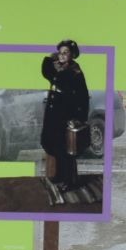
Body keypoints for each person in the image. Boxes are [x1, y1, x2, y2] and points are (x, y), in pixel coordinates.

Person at [39, 39, 90, 192]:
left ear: (72, 55)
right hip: (53, 113)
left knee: (64, 148)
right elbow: (45, 69)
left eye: (65, 53)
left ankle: (68, 180)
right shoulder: (57, 67)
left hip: (66, 113)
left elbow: (82, 95)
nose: (61, 56)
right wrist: (52, 57)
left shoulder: (75, 72)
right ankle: (60, 176)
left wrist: (79, 117)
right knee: (50, 143)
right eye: (60, 53)